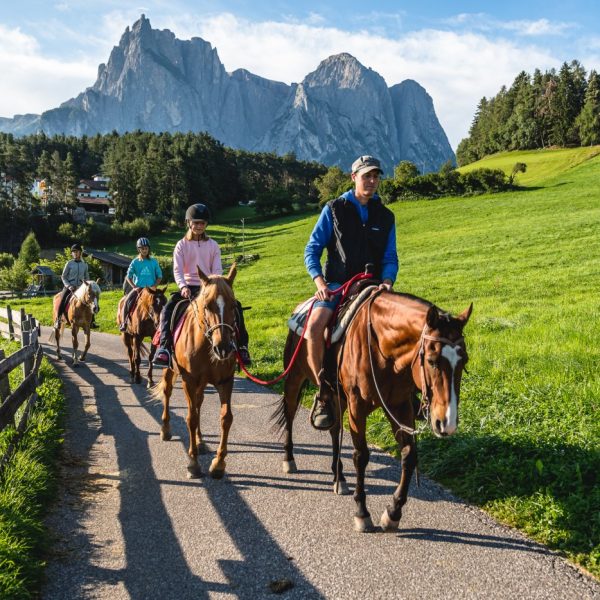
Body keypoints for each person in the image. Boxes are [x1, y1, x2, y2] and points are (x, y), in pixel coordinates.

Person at [304, 155, 399, 430]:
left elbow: (390, 256)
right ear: (353, 177)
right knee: (313, 329)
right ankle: (323, 393)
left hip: (376, 287)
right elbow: (312, 249)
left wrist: (389, 280)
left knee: (404, 327)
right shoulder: (333, 209)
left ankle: (404, 394)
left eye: (375, 176)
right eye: (366, 175)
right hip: (337, 286)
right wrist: (320, 282)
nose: (371, 181)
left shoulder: (386, 215)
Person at [153, 203, 252, 367]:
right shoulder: (181, 245)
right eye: (195, 223)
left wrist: (215, 286)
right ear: (188, 223)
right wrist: (183, 286)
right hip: (189, 288)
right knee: (168, 310)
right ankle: (164, 348)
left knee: (237, 308)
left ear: (206, 224)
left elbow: (217, 269)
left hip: (210, 288)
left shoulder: (213, 245)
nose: (199, 226)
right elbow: (177, 270)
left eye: (202, 223)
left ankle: (242, 347)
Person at [119, 237, 163, 332]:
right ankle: (124, 322)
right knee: (127, 301)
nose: (144, 250)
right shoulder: (135, 262)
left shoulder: (154, 262)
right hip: (138, 289)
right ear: (138, 249)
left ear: (149, 249)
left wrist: (155, 285)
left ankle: (163, 323)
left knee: (162, 301)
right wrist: (134, 287)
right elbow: (128, 276)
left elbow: (159, 276)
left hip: (151, 290)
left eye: (146, 248)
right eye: (142, 248)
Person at [55, 243, 99, 329]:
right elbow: (63, 276)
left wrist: (86, 286)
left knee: (91, 300)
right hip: (70, 286)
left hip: (81, 288)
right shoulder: (69, 263)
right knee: (63, 299)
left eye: (76, 251)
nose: (75, 253)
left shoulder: (84, 265)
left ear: (80, 253)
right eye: (73, 252)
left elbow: (87, 278)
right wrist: (68, 286)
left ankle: (92, 321)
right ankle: (58, 320)